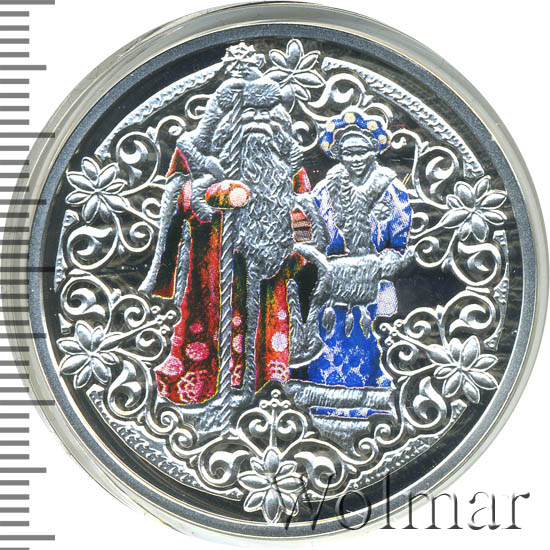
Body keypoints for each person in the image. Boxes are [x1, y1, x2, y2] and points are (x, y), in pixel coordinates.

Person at [288, 111, 413, 419]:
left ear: (374, 151)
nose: (355, 159)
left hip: (378, 281)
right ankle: (325, 404)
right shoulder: (324, 190)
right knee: (328, 341)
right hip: (333, 284)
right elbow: (310, 230)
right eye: (348, 153)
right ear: (338, 154)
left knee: (382, 334)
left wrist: (389, 259)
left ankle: (374, 408)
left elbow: (400, 239)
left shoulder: (390, 188)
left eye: (362, 152)